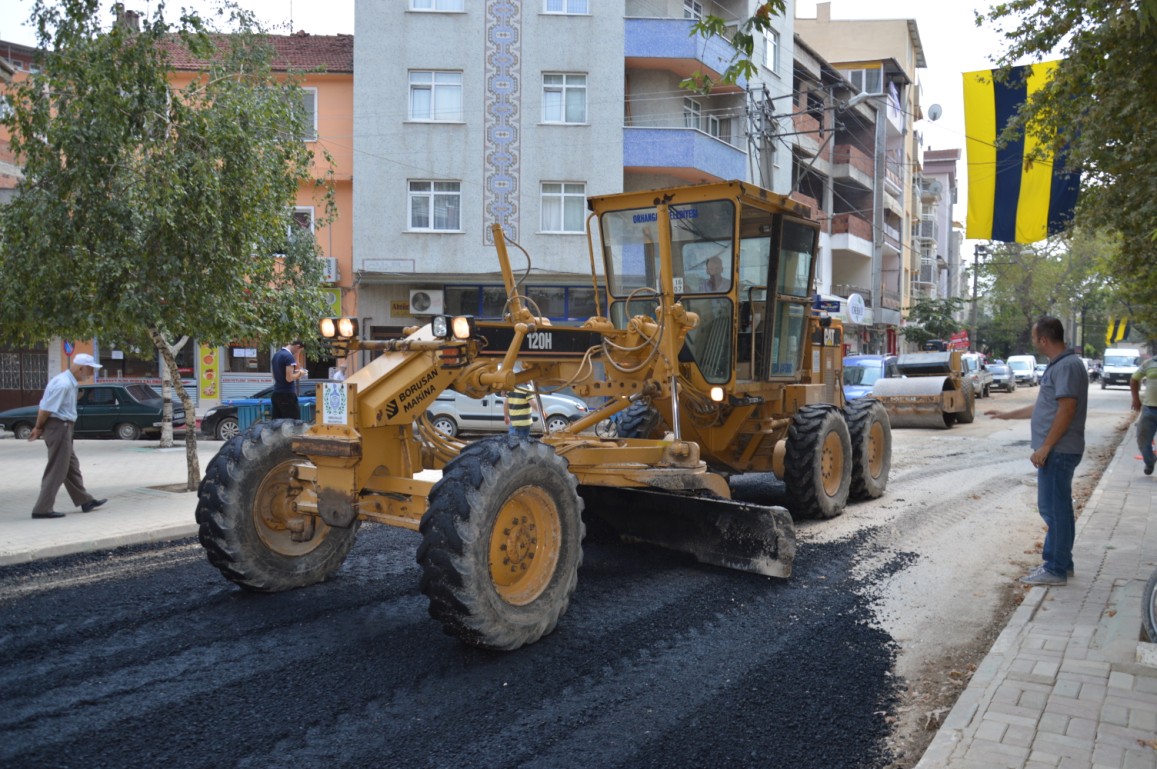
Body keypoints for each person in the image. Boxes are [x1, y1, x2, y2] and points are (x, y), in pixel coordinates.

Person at [985, 317, 1088, 586]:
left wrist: (1046, 446)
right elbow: (1044, 407)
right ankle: (1062, 563)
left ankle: (1055, 568)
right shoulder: (1061, 365)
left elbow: (1067, 410)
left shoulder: (1066, 366)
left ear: (1043, 340)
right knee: (1059, 508)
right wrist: (1007, 415)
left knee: (1053, 510)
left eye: (1034, 337)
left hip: (1059, 451)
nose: (1033, 342)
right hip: (1059, 450)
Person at [28, 353, 108, 519]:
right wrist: (38, 427)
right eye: (90, 370)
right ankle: (42, 509)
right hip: (59, 428)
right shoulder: (63, 384)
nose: (92, 374)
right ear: (80, 368)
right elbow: (45, 409)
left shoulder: (68, 382)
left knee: (71, 467)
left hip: (63, 428)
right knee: (57, 469)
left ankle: (85, 500)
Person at [1131, 352, 1157, 476]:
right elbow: (1134, 379)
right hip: (1149, 409)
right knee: (1143, 439)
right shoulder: (1149, 363)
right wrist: (1136, 399)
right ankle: (1150, 460)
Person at [271, 340, 308, 419]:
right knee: (293, 422)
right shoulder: (288, 357)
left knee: (277, 423)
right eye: (300, 351)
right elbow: (289, 378)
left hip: (276, 393)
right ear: (297, 347)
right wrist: (300, 374)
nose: (298, 353)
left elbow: (274, 376)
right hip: (287, 394)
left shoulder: (276, 355)